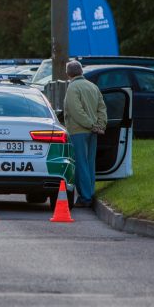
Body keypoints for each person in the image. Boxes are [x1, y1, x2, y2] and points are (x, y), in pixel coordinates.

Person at [63, 60, 107, 208]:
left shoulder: (72, 88)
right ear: (81, 71)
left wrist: (90, 125)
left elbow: (76, 111)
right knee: (89, 163)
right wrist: (99, 125)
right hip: (93, 132)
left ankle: (85, 197)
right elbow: (102, 108)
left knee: (80, 164)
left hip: (78, 130)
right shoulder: (93, 87)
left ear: (68, 73)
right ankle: (90, 192)